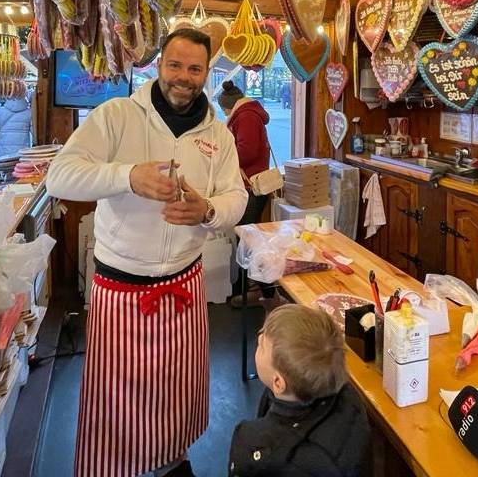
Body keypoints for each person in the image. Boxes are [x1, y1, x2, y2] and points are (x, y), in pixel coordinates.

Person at [46, 28, 247, 477]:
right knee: (117, 401)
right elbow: (60, 176)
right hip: (121, 288)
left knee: (176, 393)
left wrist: (209, 210)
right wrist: (128, 176)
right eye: (175, 65)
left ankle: (173, 462)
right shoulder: (117, 115)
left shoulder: (219, 134)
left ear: (206, 74)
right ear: (159, 65)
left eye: (195, 69)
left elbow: (237, 196)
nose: (183, 77)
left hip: (184, 284)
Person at [228, 304, 371, 476]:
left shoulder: (253, 445)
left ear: (278, 382)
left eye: (261, 344)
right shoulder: (351, 400)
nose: (259, 335)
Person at [217, 81, 280, 309]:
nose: (224, 112)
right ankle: (255, 290)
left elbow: (248, 151)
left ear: (230, 105)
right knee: (247, 238)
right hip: (249, 186)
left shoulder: (246, 117)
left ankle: (261, 292)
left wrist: (222, 155)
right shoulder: (248, 114)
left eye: (224, 109)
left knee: (249, 240)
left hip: (252, 187)